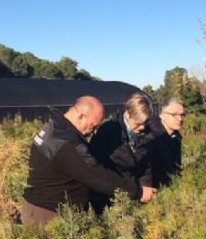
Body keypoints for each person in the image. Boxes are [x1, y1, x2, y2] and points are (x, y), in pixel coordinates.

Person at [22, 95, 156, 227]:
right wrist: (137, 192)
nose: (94, 131)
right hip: (47, 214)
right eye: (93, 125)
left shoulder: (54, 128)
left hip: (46, 209)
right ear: (81, 116)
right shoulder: (67, 143)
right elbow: (97, 176)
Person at [88, 92, 154, 214]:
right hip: (110, 194)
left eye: (145, 122)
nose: (142, 127)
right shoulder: (109, 132)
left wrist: (145, 188)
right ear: (128, 114)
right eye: (138, 123)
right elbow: (96, 168)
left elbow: (146, 165)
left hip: (135, 193)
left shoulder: (148, 133)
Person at [149, 98, 185, 187]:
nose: (180, 119)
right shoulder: (151, 136)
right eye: (174, 115)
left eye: (182, 115)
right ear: (162, 115)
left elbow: (176, 167)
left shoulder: (176, 137)